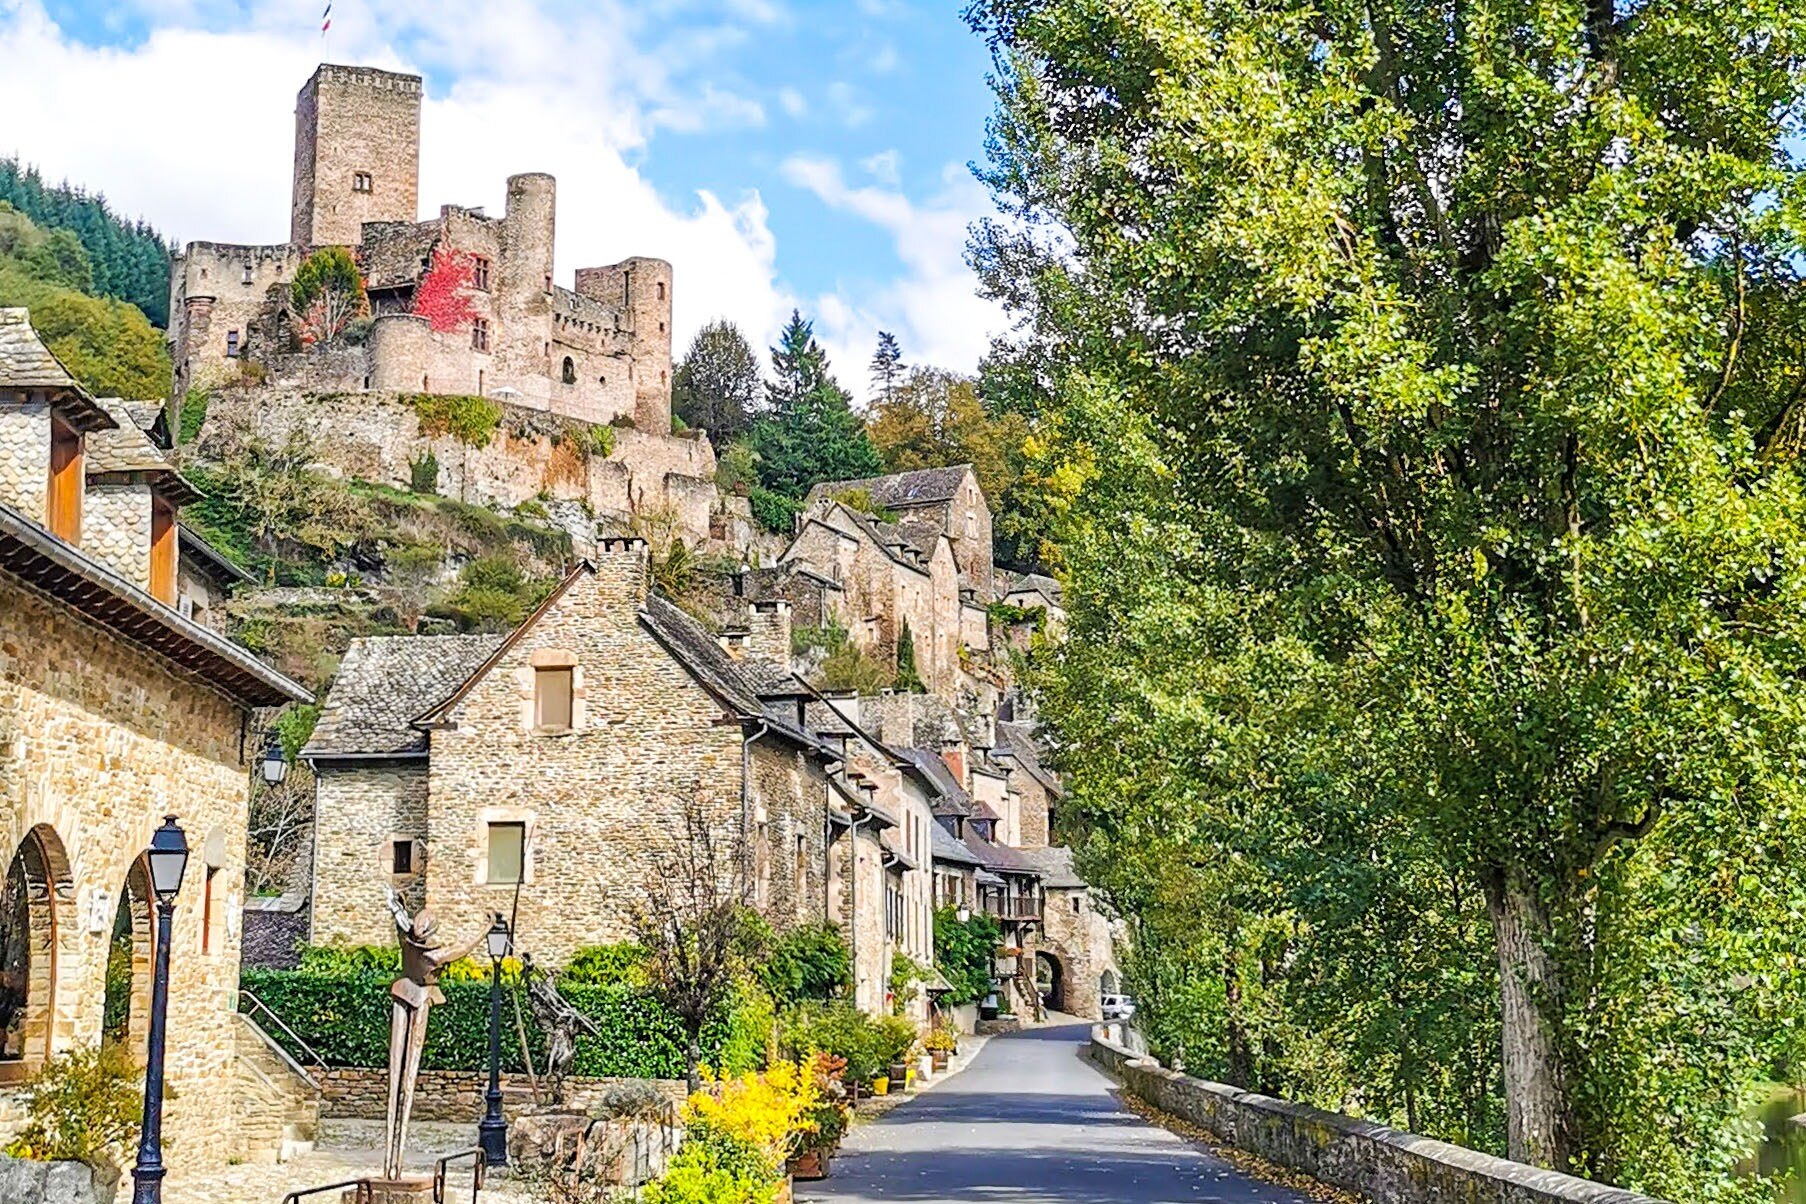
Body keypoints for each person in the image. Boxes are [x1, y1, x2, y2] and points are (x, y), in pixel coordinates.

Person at [383, 890, 486, 1181]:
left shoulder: (407, 942)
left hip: (401, 989)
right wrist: (486, 928)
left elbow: (399, 920)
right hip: (421, 997)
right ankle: (395, 1162)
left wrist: (398, 904)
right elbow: (464, 948)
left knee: (397, 1076)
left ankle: (392, 1162)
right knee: (408, 1072)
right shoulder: (433, 956)